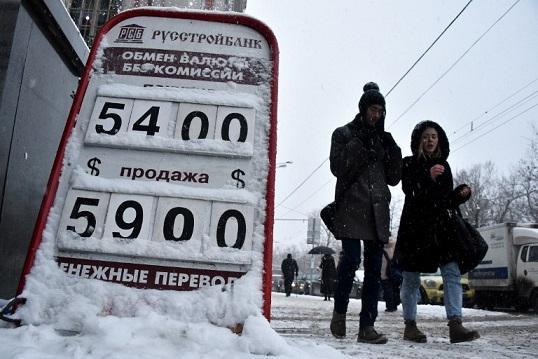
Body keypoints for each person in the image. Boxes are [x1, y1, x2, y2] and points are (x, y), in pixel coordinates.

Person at [393, 120, 480, 344]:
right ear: (418, 141)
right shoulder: (409, 163)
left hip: (441, 229)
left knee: (451, 273)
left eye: (433, 136)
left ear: (439, 139)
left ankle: (455, 325)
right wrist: (428, 176)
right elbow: (410, 190)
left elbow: (444, 201)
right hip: (415, 229)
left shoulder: (445, 165)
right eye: (425, 137)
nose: (429, 140)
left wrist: (459, 195)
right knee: (411, 279)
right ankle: (410, 326)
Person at [329, 82, 402, 344]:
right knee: (350, 260)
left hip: (377, 211)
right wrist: (360, 142)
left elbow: (394, 178)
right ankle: (339, 312)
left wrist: (393, 150)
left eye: (381, 111)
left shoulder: (384, 139)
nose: (377, 115)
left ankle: (367, 327)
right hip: (351, 207)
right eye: (373, 109)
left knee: (373, 270)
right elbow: (338, 168)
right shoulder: (344, 134)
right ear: (363, 109)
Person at [381, 239, 401, 312]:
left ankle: (390, 306)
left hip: (385, 273)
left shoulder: (381, 248)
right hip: (394, 272)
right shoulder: (394, 246)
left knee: (387, 290)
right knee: (395, 289)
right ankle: (395, 303)